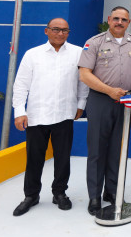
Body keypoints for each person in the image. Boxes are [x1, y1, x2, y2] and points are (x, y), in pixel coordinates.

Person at [11, 17, 88, 216]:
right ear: (46, 31)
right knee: (34, 158)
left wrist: (81, 104)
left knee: (63, 158)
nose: (60, 33)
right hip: (37, 114)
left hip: (65, 113)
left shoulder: (77, 52)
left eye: (65, 30)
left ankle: (59, 193)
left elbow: (83, 81)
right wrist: (19, 111)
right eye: (56, 29)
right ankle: (31, 195)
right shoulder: (33, 54)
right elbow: (21, 84)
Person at [79, 6, 131, 215]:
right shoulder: (95, 42)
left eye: (123, 20)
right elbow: (84, 74)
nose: (119, 22)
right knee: (97, 150)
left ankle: (113, 191)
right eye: (116, 18)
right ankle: (94, 196)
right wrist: (109, 91)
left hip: (126, 102)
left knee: (119, 149)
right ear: (109, 19)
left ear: (129, 22)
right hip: (101, 100)